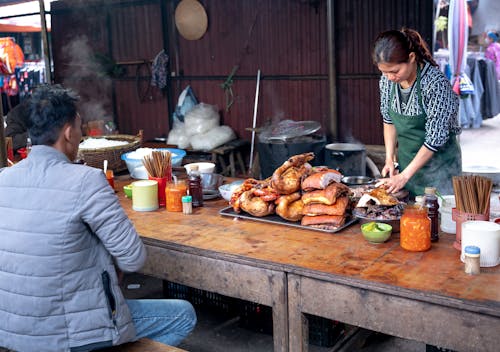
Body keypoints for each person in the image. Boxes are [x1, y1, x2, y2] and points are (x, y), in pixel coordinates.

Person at [0, 84, 196, 351]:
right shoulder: (86, 180)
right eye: (79, 128)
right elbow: (133, 257)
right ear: (68, 133)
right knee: (183, 315)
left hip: (14, 333)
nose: (80, 136)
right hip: (71, 336)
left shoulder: (4, 179)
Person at [372, 28, 462, 197]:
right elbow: (388, 120)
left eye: (394, 71)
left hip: (440, 167)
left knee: (438, 215)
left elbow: (435, 138)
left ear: (411, 58)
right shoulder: (387, 81)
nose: (389, 77)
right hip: (408, 168)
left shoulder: (435, 84)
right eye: (384, 72)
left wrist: (404, 176)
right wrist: (389, 159)